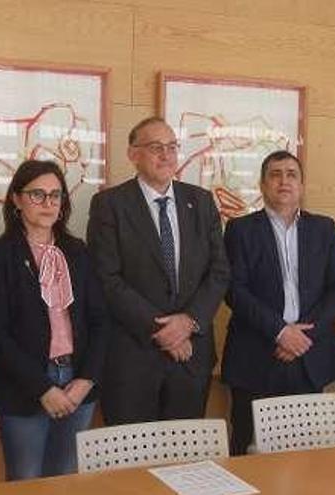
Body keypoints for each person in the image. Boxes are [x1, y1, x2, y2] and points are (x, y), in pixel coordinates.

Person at [87, 117, 230, 424]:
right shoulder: (109, 204)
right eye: (155, 147)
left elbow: (219, 272)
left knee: (184, 459)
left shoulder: (201, 202)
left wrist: (189, 322)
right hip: (133, 359)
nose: (166, 155)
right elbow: (107, 278)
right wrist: (165, 331)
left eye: (171, 147)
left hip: (192, 357)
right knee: (130, 460)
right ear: (133, 154)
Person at [0, 160, 109, 479]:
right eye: (37, 194)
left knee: (66, 478)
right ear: (16, 199)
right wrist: (43, 388)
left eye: (55, 195)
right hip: (24, 387)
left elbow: (101, 321)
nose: (48, 203)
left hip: (77, 381)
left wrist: (86, 380)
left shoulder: (78, 251)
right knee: (26, 480)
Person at [221, 150, 335, 455]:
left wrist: (303, 337)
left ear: (302, 185)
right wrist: (281, 332)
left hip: (309, 355)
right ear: (263, 185)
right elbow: (234, 290)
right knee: (246, 447)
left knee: (304, 450)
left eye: (291, 174)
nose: (283, 181)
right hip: (256, 354)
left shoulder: (324, 229)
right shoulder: (240, 230)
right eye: (275, 175)